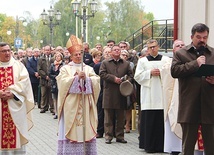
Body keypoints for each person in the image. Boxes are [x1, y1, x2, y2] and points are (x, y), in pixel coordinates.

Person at [171, 23, 214, 155]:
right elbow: (175, 71)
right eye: (198, 37)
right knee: (188, 147)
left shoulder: (212, 53)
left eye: (205, 37)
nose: (202, 40)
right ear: (192, 37)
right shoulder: (181, 54)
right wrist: (195, 63)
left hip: (209, 106)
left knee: (211, 147)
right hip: (189, 105)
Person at [56, 35, 100, 154]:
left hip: (85, 104)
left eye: (80, 53)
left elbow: (96, 81)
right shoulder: (65, 69)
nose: (78, 56)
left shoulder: (88, 68)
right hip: (71, 105)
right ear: (71, 56)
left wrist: (87, 79)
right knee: (71, 128)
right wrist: (75, 79)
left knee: (85, 130)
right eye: (76, 54)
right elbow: (61, 82)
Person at [134, 39, 170, 153]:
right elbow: (137, 76)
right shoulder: (142, 61)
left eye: (154, 46)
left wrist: (161, 72)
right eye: (150, 47)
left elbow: (170, 73)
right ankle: (149, 146)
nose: (152, 49)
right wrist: (149, 73)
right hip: (149, 95)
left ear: (158, 47)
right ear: (147, 49)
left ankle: (162, 145)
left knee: (161, 121)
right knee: (149, 121)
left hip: (162, 94)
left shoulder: (166, 60)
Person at [0, 42, 34, 154]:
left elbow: (25, 83)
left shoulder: (18, 66)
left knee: (17, 138)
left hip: (16, 108)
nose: (7, 53)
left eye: (8, 50)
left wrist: (13, 93)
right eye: (4, 51)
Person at [99, 45, 133, 144]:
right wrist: (114, 79)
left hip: (121, 92)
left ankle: (120, 136)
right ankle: (108, 136)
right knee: (108, 116)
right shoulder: (105, 63)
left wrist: (126, 80)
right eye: (115, 50)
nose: (117, 51)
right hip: (109, 92)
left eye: (119, 50)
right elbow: (102, 74)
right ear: (111, 52)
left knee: (120, 116)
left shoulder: (126, 64)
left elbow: (131, 75)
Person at [161, 39, 185, 155]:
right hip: (173, 99)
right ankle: (175, 149)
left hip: (186, 98)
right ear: (173, 49)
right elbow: (166, 73)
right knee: (173, 119)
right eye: (177, 45)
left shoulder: (191, 60)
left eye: (182, 45)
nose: (180, 47)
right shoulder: (169, 63)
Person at [37, 45, 54, 114]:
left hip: (51, 79)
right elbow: (39, 69)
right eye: (46, 50)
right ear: (44, 51)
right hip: (43, 80)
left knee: (51, 94)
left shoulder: (53, 59)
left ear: (50, 50)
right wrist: (45, 76)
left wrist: (50, 76)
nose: (47, 51)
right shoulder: (41, 59)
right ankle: (43, 107)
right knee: (43, 94)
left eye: (48, 50)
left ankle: (52, 108)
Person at [49, 52, 64, 119]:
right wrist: (54, 77)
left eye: (59, 56)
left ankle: (61, 112)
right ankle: (56, 113)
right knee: (54, 98)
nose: (57, 57)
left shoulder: (63, 65)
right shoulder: (52, 65)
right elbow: (49, 73)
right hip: (54, 83)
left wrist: (59, 77)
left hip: (60, 83)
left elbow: (63, 73)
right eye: (56, 56)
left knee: (60, 98)